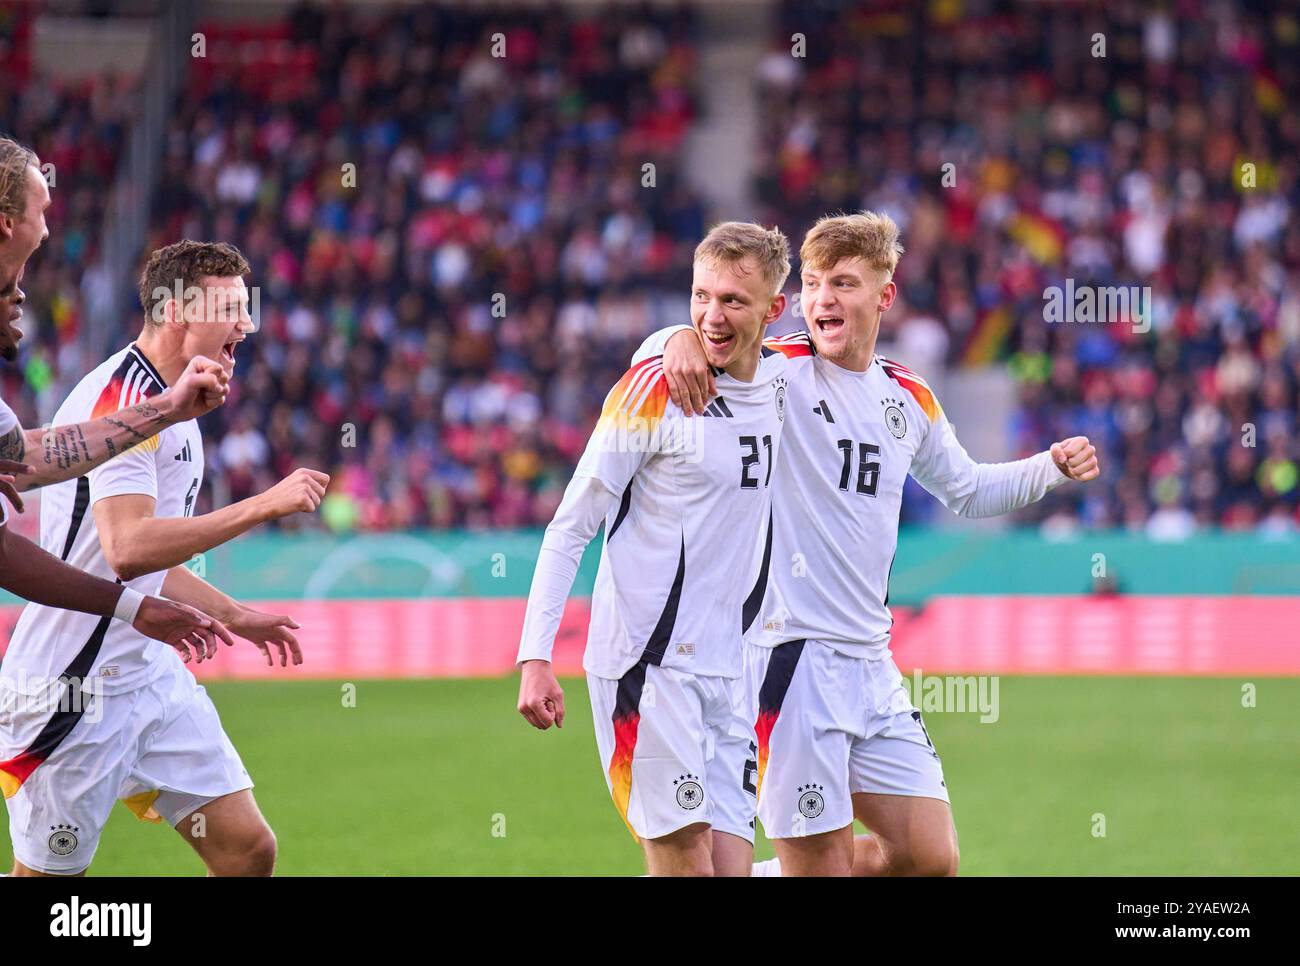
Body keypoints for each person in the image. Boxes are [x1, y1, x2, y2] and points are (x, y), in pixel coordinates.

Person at [640, 211, 1100, 875]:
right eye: (816, 284)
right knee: (821, 863)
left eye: (844, 284)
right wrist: (674, 339)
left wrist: (1049, 468)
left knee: (926, 856)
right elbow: (710, 337)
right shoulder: (776, 371)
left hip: (870, 663)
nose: (824, 299)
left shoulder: (905, 393)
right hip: (788, 657)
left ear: (883, 295)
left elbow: (966, 489)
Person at [1, 240, 331, 876]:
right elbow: (128, 550)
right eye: (233, 307)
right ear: (179, 310)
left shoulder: (181, 400)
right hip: (75, 688)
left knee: (246, 848)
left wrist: (233, 613)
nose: (248, 323)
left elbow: (149, 555)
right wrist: (265, 505)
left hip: (147, 676)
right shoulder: (126, 403)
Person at [516, 223, 805, 876]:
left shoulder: (790, 382)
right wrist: (536, 655)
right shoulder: (654, 389)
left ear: (773, 310)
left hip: (729, 675)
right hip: (646, 670)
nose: (712, 315)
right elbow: (570, 526)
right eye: (700, 298)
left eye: (734, 300)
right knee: (685, 866)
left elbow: (843, 344)